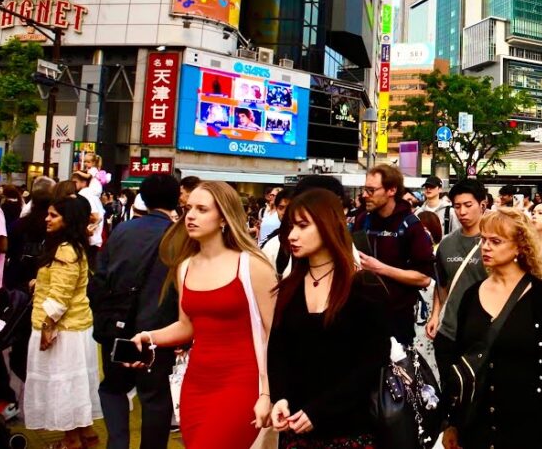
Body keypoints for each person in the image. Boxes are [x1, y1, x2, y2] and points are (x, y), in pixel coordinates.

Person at [131, 181, 278, 448]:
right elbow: (187, 326)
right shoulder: (185, 266)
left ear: (223, 216)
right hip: (196, 383)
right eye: (188, 209)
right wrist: (148, 337)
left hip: (242, 383)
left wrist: (268, 393)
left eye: (202, 209)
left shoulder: (253, 266)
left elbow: (276, 334)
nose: (191, 216)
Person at [444, 208, 542, 449]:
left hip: (528, 426)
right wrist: (452, 423)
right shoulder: (471, 296)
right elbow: (461, 361)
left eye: (495, 241)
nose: (485, 247)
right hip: (476, 426)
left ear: (519, 247)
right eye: (483, 240)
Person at [268, 189, 391, 447]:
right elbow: (278, 351)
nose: (292, 235)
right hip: (296, 430)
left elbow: (373, 361)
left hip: (350, 429)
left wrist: (320, 411)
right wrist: (278, 398)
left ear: (327, 225)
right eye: (290, 227)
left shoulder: (363, 286)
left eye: (303, 226)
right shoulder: (289, 288)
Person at [91, 174, 182, 449]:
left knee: (114, 387)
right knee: (154, 398)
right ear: (177, 199)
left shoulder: (122, 230)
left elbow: (100, 279)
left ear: (142, 197)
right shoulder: (180, 237)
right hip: (159, 333)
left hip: (118, 327)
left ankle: (117, 443)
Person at [22, 196, 102, 448]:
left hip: (62, 330)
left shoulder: (65, 250)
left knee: (63, 385)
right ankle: (86, 434)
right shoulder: (73, 247)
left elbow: (59, 298)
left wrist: (47, 327)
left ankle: (71, 440)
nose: (47, 219)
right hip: (74, 328)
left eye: (54, 215)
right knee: (74, 385)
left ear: (68, 220)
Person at [353, 164, 435, 344]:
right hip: (362, 314)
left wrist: (381, 268)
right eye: (364, 189)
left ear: (392, 190)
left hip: (397, 319)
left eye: (371, 190)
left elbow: (423, 278)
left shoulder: (411, 225)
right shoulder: (361, 219)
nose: (365, 195)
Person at [426, 179, 489, 383]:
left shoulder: (495, 242)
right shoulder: (446, 245)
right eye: (457, 206)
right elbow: (442, 284)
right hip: (449, 332)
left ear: (483, 205)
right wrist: (435, 316)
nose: (462, 212)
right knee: (450, 391)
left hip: (484, 335)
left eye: (468, 205)